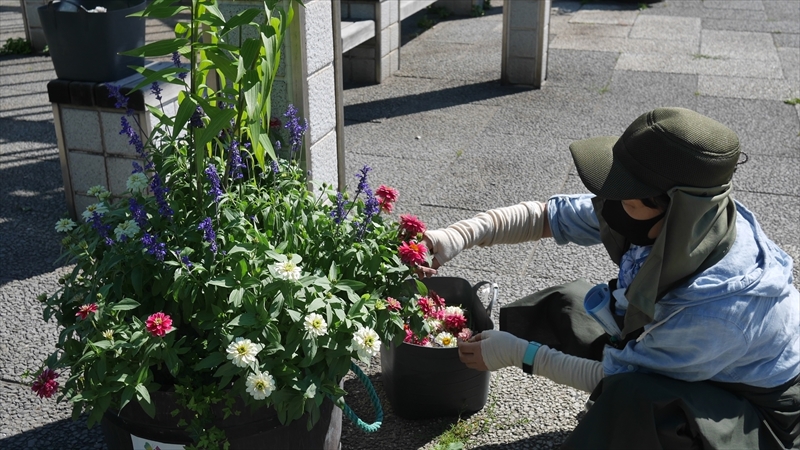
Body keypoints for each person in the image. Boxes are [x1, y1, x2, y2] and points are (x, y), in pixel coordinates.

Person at [420, 107, 800, 449]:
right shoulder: (684, 218)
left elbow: (621, 377)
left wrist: (521, 354)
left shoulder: (717, 308)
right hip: (697, 357)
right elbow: (547, 217)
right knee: (568, 304)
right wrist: (452, 238)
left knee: (634, 400)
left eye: (627, 199)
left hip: (761, 414)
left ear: (673, 209)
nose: (610, 206)